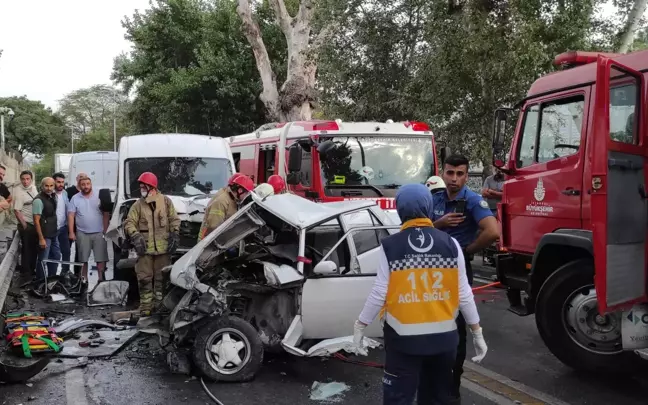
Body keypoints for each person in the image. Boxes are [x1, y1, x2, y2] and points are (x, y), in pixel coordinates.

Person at [352, 183, 487, 405]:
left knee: (399, 398)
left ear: (399, 209)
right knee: (436, 398)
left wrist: (360, 325)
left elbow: (380, 292)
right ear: (428, 206)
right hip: (444, 341)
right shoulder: (451, 244)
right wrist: (477, 332)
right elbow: (464, 294)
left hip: (403, 342)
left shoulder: (390, 246)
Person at [430, 154, 499, 404]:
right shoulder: (434, 198)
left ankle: (453, 387)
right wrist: (439, 223)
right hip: (429, 269)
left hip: (456, 271)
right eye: (450, 173)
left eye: (460, 174)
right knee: (430, 322)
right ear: (443, 173)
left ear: (467, 176)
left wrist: (467, 251)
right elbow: (417, 227)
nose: (454, 179)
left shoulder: (472, 200)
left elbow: (493, 231)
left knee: (456, 328)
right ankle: (432, 381)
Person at [123, 172, 180, 315]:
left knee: (162, 281)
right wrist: (135, 235)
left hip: (163, 251)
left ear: (152, 187)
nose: (141, 189)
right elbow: (129, 222)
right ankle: (146, 309)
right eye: (141, 186)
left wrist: (174, 233)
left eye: (144, 186)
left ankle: (160, 308)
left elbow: (174, 219)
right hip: (145, 251)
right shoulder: (138, 205)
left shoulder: (165, 202)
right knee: (144, 280)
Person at [68, 176, 110, 286]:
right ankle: (84, 280)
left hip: (99, 232)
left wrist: (105, 230)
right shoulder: (75, 198)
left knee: (100, 258)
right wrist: (72, 232)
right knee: (83, 259)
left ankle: (101, 280)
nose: (86, 186)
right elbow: (71, 215)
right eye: (83, 184)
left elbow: (106, 214)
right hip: (82, 233)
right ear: (79, 185)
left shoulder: (99, 196)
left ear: (91, 184)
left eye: (88, 184)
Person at [198, 173, 254, 242]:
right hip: (207, 243)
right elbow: (214, 227)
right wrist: (227, 241)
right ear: (240, 191)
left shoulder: (233, 199)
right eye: (246, 193)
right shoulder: (221, 201)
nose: (246, 196)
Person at [33, 177, 59, 279]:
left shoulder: (52, 196)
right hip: (44, 235)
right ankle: (41, 283)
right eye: (46, 186)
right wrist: (41, 238)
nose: (49, 188)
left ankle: (52, 279)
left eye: (51, 185)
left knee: (56, 256)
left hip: (53, 233)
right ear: (42, 186)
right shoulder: (38, 200)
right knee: (43, 260)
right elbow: (36, 221)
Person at [13, 171, 38, 276]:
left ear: (31, 179)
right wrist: (25, 226)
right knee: (27, 249)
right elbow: (16, 211)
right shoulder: (19, 192)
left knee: (34, 248)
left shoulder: (33, 188)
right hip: (27, 224)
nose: (25, 181)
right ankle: (26, 272)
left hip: (34, 224)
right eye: (23, 179)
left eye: (27, 179)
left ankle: (32, 270)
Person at [51, 172, 71, 277]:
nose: (61, 184)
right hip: (53, 228)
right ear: (53, 181)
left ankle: (65, 273)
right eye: (58, 182)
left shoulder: (65, 193)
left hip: (63, 227)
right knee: (55, 254)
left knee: (66, 251)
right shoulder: (50, 194)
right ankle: (52, 275)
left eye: (62, 182)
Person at [66, 172, 88, 265]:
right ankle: (65, 271)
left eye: (84, 177)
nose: (81, 179)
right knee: (67, 250)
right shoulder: (69, 191)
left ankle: (78, 273)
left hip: (81, 227)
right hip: (70, 225)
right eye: (80, 177)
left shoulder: (87, 192)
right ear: (76, 179)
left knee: (80, 252)